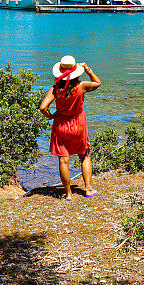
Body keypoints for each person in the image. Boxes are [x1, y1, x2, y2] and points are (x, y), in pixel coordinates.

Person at [39, 55, 101, 201]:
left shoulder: (55, 89)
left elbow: (43, 107)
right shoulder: (82, 86)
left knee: (63, 161)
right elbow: (97, 83)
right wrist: (87, 68)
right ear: (76, 72)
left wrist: (50, 116)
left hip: (61, 124)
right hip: (78, 124)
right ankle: (89, 189)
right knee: (84, 156)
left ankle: (68, 194)